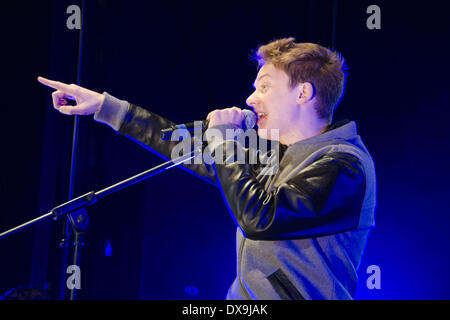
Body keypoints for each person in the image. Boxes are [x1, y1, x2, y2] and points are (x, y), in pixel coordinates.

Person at [38, 37, 376, 300]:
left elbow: (262, 217)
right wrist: (107, 107)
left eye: (265, 86)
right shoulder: (275, 151)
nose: (250, 99)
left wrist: (227, 139)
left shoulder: (344, 165)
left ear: (303, 93)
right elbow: (184, 147)